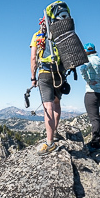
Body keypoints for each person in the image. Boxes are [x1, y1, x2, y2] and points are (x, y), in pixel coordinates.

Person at [30, 17, 65, 156]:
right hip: (59, 73)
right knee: (57, 103)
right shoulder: (59, 35)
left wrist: (33, 77)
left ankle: (50, 143)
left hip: (44, 73)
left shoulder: (37, 36)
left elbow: (33, 58)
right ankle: (55, 133)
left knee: (48, 106)